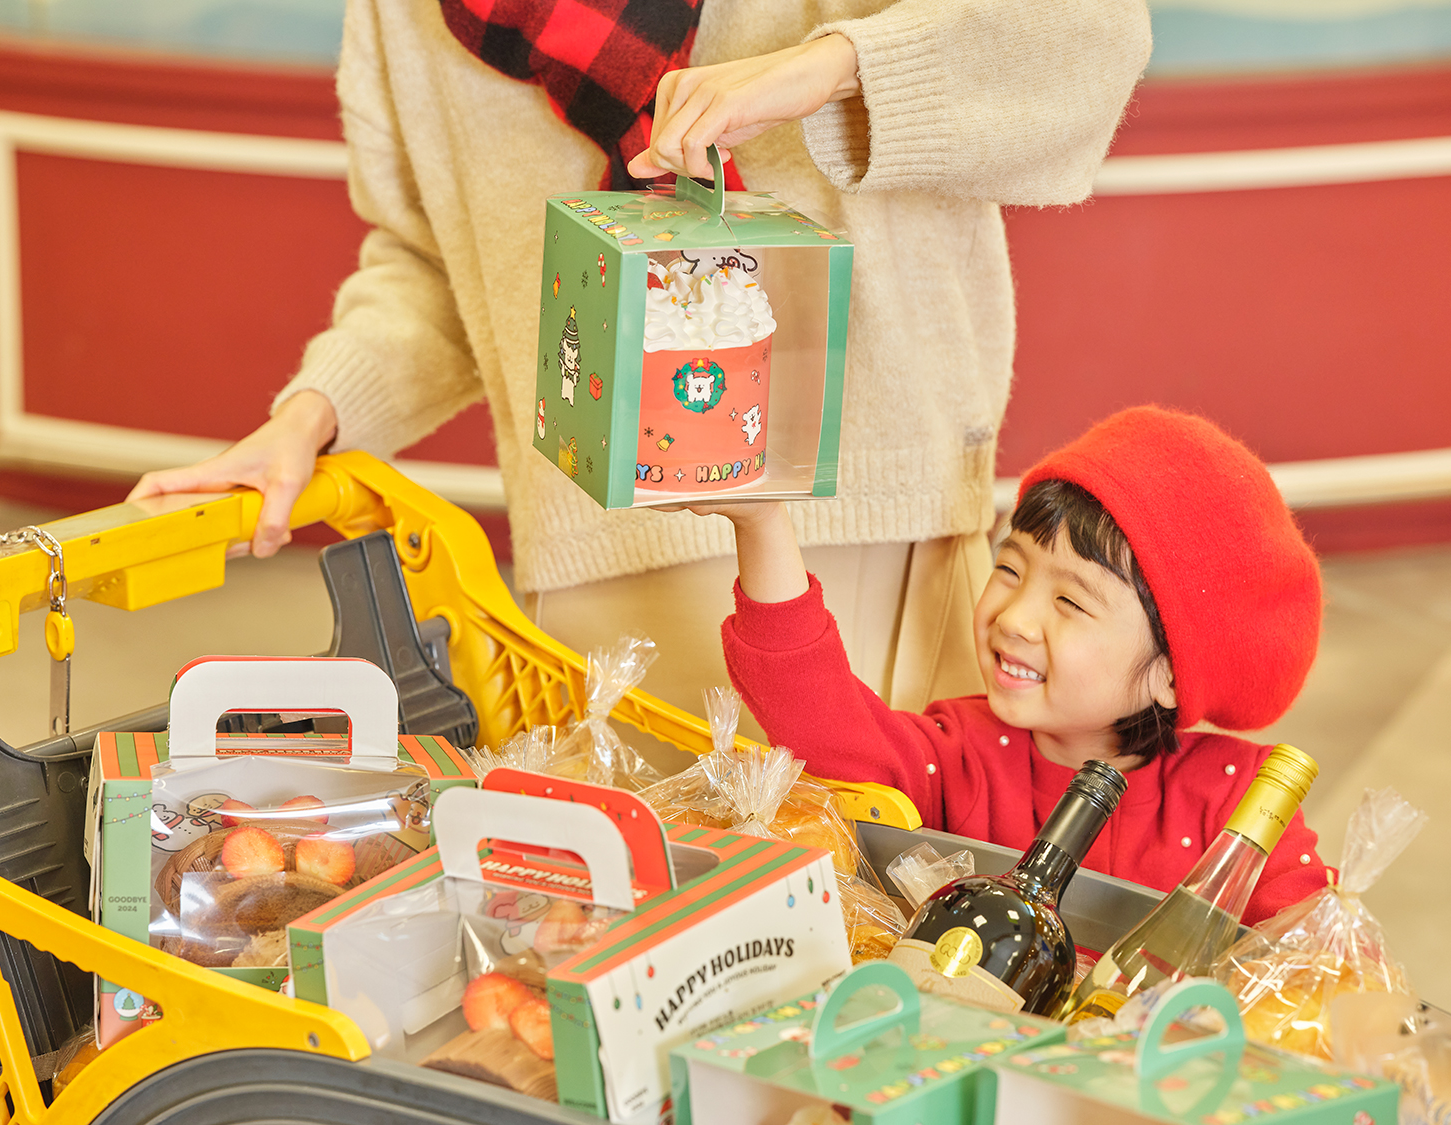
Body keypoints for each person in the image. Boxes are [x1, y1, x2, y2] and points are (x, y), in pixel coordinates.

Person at [128, 0, 1152, 734]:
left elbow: (1090, 37)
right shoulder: (405, 18)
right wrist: (309, 417)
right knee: (648, 968)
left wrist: (826, 64)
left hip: (883, 521)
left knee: (901, 947)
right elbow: (448, 268)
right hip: (604, 557)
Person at [710, 407, 1329, 925]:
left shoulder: (1239, 805)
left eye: (1069, 601)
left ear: (1172, 672)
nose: (1014, 618)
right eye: (1009, 570)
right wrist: (763, 522)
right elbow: (818, 718)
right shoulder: (961, 754)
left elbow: (1314, 959)